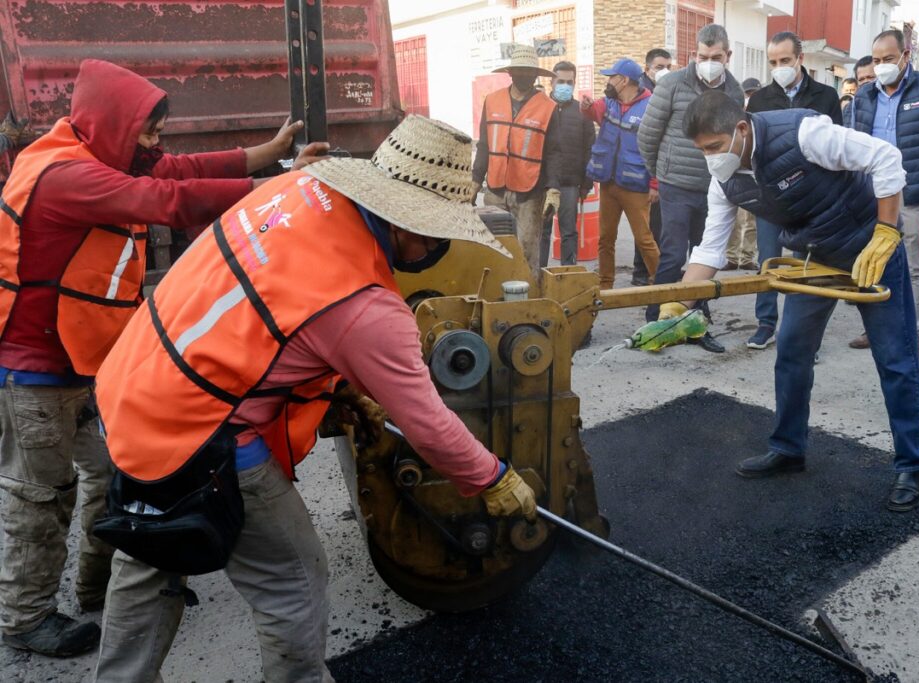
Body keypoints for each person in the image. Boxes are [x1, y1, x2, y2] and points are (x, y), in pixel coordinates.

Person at [92, 116, 538, 682]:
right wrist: (492, 477)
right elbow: (427, 424)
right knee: (292, 578)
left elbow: (266, 313)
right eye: (439, 233)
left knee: (150, 550)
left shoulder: (298, 190)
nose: (438, 247)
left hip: (131, 384)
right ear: (409, 223)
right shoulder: (365, 306)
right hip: (202, 433)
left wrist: (341, 386)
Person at [0, 59, 322, 658]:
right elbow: (165, 197)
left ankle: (98, 592)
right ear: (110, 124)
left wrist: (267, 153)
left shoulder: (98, 156)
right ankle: (24, 618)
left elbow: (179, 169)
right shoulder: (65, 176)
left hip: (87, 358)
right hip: (35, 371)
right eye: (146, 132)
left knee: (115, 477)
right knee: (41, 497)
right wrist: (279, 189)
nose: (154, 144)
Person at [675, 89, 919, 511]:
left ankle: (911, 465)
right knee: (792, 350)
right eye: (702, 151)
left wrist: (886, 233)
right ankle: (789, 448)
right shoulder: (725, 179)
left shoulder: (803, 134)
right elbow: (709, 249)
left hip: (871, 252)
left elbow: (885, 157)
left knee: (895, 359)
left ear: (740, 128)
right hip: (817, 258)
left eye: (714, 147)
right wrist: (677, 304)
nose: (711, 158)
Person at [849, 29, 919, 355]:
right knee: (873, 262)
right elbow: (854, 143)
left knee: (910, 266)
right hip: (871, 195)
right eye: (876, 60)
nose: (882, 65)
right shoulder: (865, 96)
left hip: (910, 195)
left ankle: (914, 335)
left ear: (905, 56)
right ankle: (875, 329)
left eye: (888, 59)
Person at [638, 24, 743, 352]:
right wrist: (662, 173)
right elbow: (647, 136)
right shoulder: (671, 84)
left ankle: (698, 323)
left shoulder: (735, 92)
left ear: (728, 56)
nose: (708, 61)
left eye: (716, 56)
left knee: (706, 255)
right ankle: (656, 320)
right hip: (676, 185)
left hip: (715, 186)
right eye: (702, 56)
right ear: (693, 55)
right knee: (672, 253)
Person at [743, 31, 842, 351]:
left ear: (800, 59)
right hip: (772, 196)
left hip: (812, 198)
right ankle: (766, 323)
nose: (779, 67)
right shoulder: (759, 100)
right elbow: (755, 149)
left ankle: (803, 336)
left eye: (785, 60)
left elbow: (836, 148)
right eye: (773, 62)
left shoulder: (825, 97)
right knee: (768, 260)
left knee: (806, 265)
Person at [472, 44, 559, 279]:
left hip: (530, 191)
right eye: (519, 71)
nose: (524, 76)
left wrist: (553, 189)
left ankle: (529, 297)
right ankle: (494, 294)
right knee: (493, 247)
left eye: (529, 72)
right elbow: (484, 145)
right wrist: (474, 180)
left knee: (527, 249)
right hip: (496, 188)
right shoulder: (492, 101)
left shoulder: (549, 108)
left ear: (535, 75)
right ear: (510, 72)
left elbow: (553, 152)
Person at [581, 58, 659, 290]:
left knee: (644, 240)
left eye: (611, 77)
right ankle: (605, 285)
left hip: (636, 187)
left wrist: (655, 184)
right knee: (605, 239)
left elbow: (656, 147)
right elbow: (592, 112)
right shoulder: (609, 103)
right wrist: (585, 105)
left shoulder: (651, 107)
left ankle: (661, 283)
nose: (608, 82)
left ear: (624, 81)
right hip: (609, 183)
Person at [539, 61, 595, 267]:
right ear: (552, 81)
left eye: (569, 82)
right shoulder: (541, 108)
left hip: (570, 182)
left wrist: (587, 183)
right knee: (541, 232)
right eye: (560, 81)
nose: (565, 85)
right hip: (542, 182)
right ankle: (538, 277)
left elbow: (590, 148)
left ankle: (567, 276)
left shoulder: (582, 112)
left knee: (569, 232)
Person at [632, 48, 672, 285]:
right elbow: (646, 140)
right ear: (647, 69)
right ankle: (642, 272)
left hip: (667, 171)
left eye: (668, 66)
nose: (664, 71)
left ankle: (653, 271)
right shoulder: (641, 95)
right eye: (659, 67)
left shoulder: (669, 90)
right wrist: (653, 180)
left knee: (660, 228)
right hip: (645, 172)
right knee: (646, 228)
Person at [723, 77, 763, 272]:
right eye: (748, 93)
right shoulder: (735, 113)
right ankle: (731, 256)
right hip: (736, 169)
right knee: (735, 219)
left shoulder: (762, 112)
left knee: (751, 221)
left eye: (754, 93)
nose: (750, 97)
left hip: (755, 170)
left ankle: (746, 257)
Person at [843, 56, 876, 127]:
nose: (866, 81)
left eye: (870, 77)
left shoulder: (888, 102)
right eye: (861, 79)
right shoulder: (850, 107)